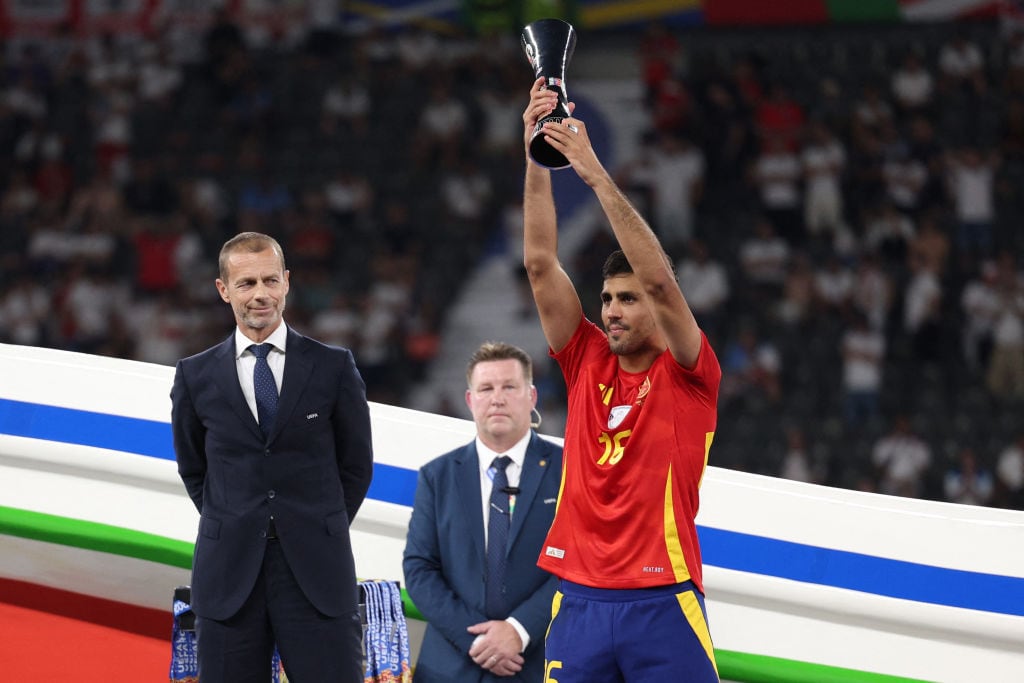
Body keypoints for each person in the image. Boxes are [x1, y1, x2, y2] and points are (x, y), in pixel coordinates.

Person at [521, 78, 721, 682]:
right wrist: (536, 155)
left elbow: (659, 280)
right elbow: (540, 264)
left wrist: (593, 174)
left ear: (657, 308)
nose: (611, 310)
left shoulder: (690, 373)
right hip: (578, 598)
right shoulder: (585, 357)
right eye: (607, 298)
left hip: (664, 598)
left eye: (627, 300)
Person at [171, 232, 373, 682]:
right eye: (246, 283)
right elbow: (194, 469)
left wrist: (317, 524)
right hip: (229, 579)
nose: (260, 294)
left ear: (286, 282)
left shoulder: (334, 367)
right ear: (224, 290)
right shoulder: (194, 376)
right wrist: (239, 519)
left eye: (269, 280)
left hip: (318, 575)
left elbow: (357, 467)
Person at [403, 341, 563, 682]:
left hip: (538, 665)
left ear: (532, 396)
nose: (497, 398)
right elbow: (419, 568)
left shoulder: (570, 472)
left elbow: (579, 564)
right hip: (449, 668)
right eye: (486, 388)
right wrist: (478, 640)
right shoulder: (437, 476)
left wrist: (519, 630)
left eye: (509, 387)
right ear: (470, 399)